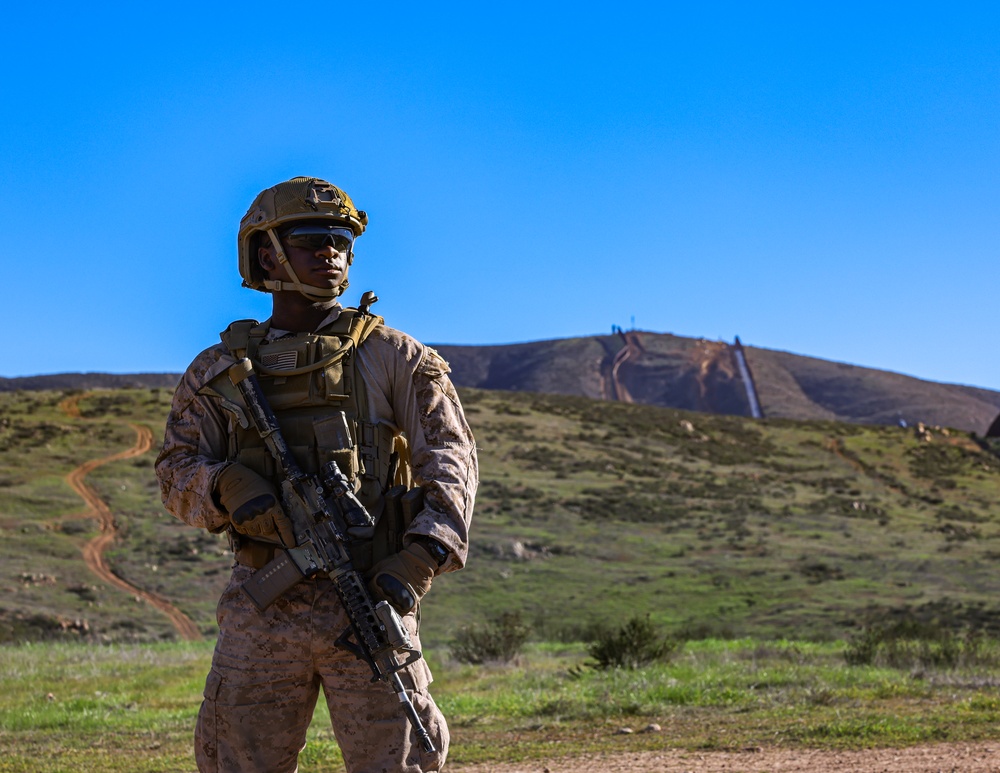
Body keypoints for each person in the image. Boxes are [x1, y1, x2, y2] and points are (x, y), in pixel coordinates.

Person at [155, 176, 478, 773]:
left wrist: (419, 559)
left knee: (403, 760)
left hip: (373, 599)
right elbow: (176, 468)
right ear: (265, 253)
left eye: (341, 241)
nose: (332, 253)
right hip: (263, 612)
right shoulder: (220, 370)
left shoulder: (395, 357)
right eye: (310, 240)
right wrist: (227, 486)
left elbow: (451, 462)